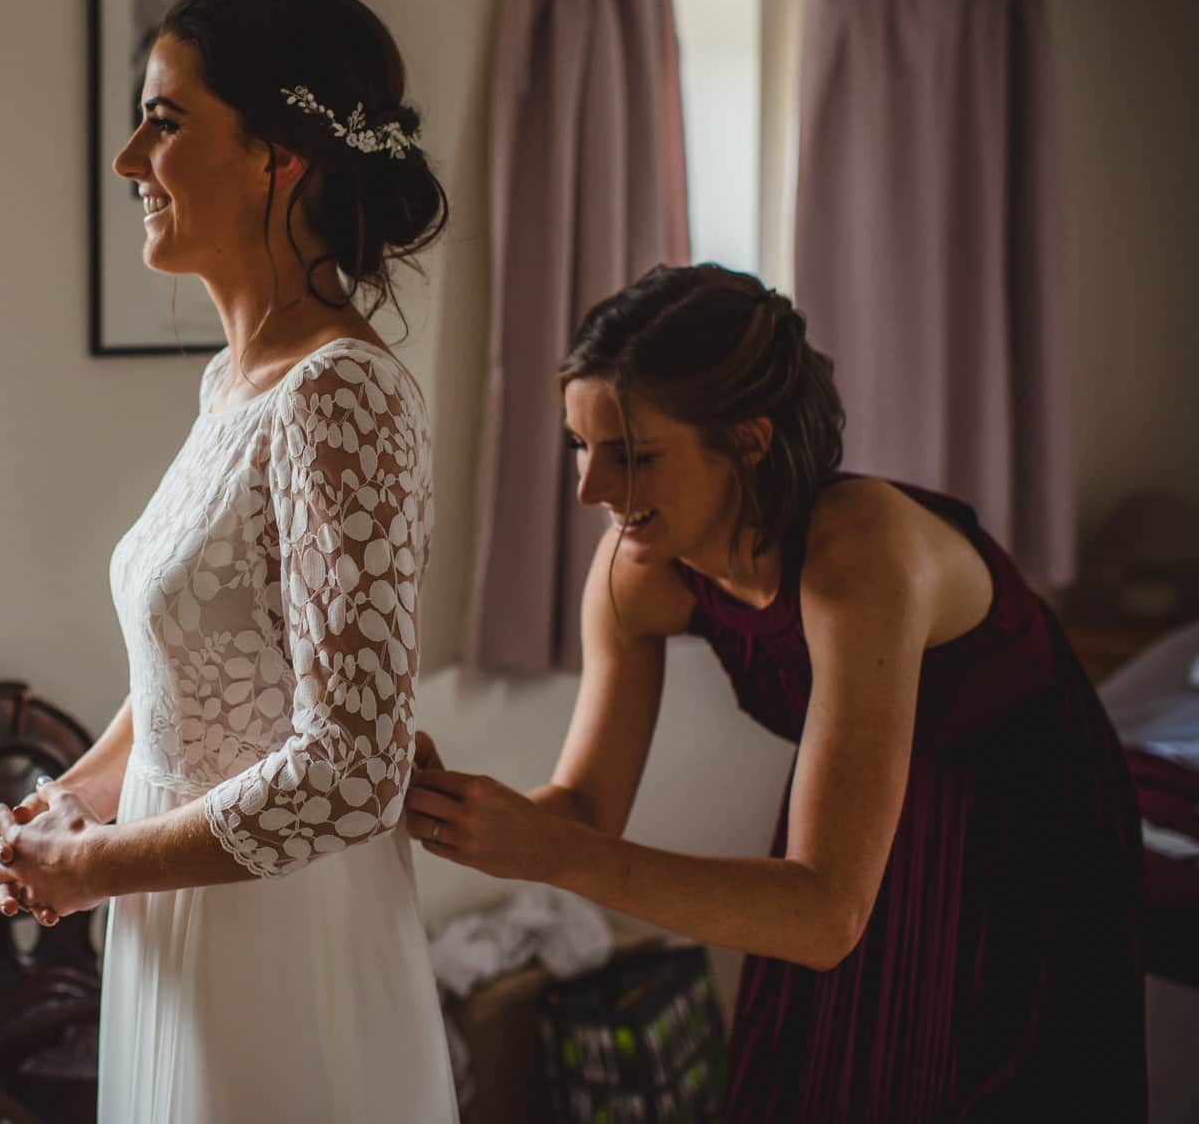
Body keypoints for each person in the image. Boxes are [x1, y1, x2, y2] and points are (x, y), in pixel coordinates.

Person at [404, 263, 1146, 1121]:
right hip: (856, 813)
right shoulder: (636, 572)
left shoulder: (862, 555)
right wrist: (460, 812)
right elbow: (585, 805)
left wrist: (549, 850)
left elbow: (825, 912)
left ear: (749, 440)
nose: (590, 491)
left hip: (1022, 822)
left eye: (634, 456)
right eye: (581, 446)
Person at [0, 0, 459, 1122]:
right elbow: (193, 668)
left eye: (166, 117)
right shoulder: (233, 384)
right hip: (171, 900)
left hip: (274, 934)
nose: (127, 159)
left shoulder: (340, 395)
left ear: (276, 156)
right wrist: (79, 805)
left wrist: (96, 869)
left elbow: (352, 770)